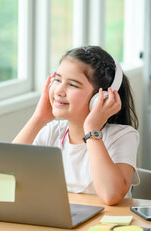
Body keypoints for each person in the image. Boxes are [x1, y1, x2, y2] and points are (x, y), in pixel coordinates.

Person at [13, 46, 139, 205]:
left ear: (102, 97)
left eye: (72, 84)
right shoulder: (51, 133)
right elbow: (4, 178)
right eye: (57, 80)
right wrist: (38, 119)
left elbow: (111, 195)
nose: (59, 90)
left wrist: (92, 129)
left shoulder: (123, 136)